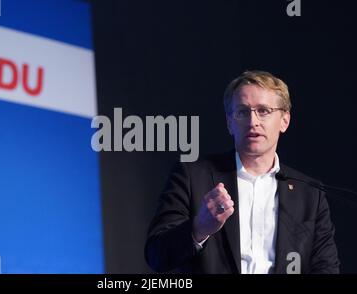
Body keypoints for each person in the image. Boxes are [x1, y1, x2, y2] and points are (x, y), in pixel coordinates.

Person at [144, 70, 340, 274]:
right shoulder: (192, 176)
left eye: (263, 111)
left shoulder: (309, 193)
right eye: (242, 112)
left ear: (284, 120)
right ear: (229, 123)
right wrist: (199, 228)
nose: (253, 121)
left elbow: (326, 268)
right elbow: (156, 255)